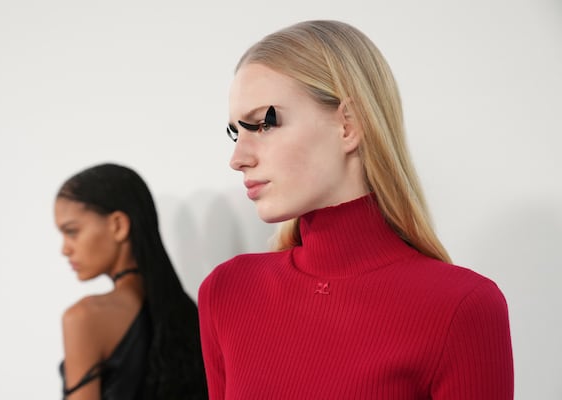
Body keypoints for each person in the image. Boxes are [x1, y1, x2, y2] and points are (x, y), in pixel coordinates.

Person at [198, 20, 514, 399]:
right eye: (237, 131)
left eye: (265, 123)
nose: (238, 158)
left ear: (349, 124)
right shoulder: (228, 293)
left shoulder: (462, 307)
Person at [54, 163, 207, 400]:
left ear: (118, 225)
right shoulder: (189, 314)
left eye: (72, 231)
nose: (65, 249)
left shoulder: (84, 318)